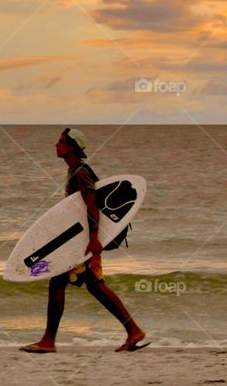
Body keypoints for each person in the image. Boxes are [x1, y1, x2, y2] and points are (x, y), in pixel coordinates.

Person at [20, 128, 148, 354]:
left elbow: (92, 205)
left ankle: (49, 341)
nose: (56, 145)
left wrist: (93, 240)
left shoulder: (80, 172)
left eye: (60, 141)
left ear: (71, 147)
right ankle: (133, 330)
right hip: (84, 241)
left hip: (85, 242)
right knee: (96, 287)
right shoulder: (74, 170)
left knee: (58, 283)